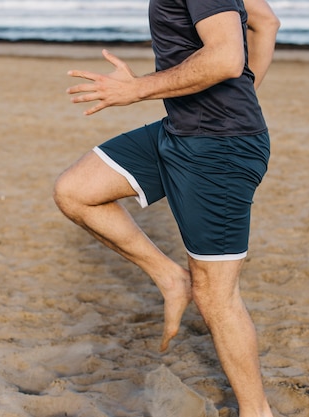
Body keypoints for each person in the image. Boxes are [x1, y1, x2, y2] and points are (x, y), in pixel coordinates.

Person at [53, 0, 280, 415]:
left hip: (218, 149)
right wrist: (242, 100)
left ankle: (257, 411)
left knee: (216, 295)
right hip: (180, 130)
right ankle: (171, 279)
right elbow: (265, 22)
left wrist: (136, 88)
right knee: (76, 189)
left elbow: (228, 56)